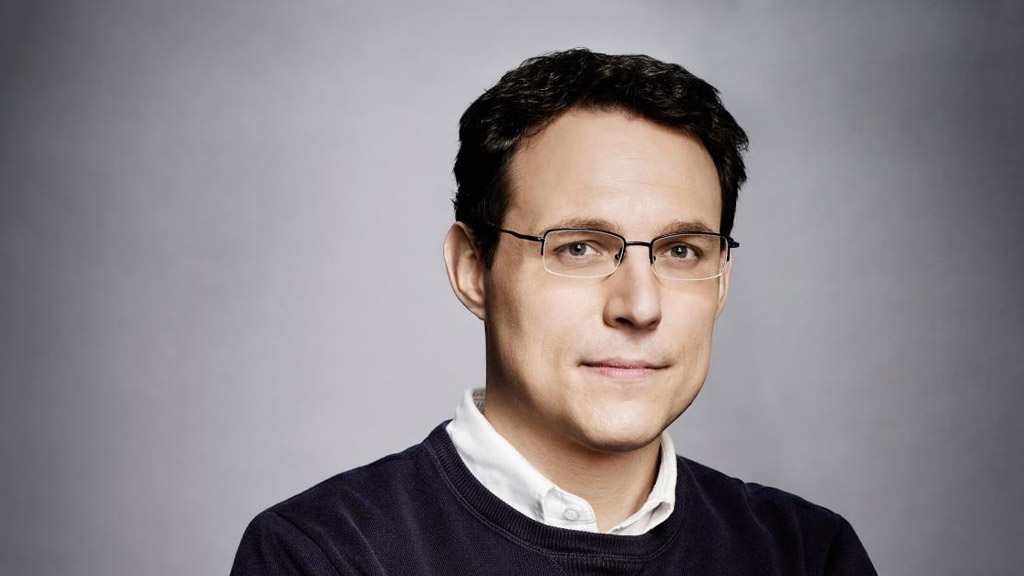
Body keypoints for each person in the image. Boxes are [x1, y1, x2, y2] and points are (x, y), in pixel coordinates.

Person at [229, 48, 877, 575]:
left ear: (722, 281)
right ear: (472, 268)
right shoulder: (325, 555)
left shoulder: (806, 554)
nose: (640, 305)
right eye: (578, 247)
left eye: (681, 250)